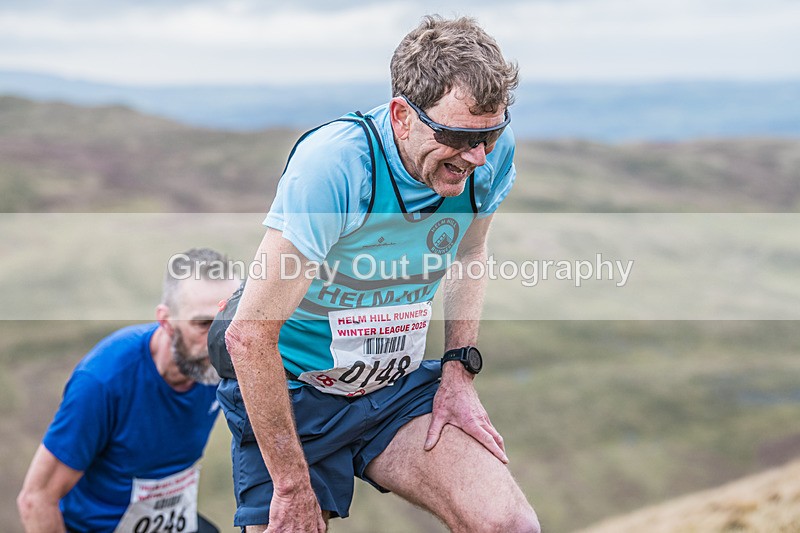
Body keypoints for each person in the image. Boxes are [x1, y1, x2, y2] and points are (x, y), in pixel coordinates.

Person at [210, 15, 540, 533]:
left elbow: (470, 253)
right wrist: (293, 486)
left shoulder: (486, 158)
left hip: (395, 387)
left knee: (510, 525)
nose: (477, 156)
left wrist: (458, 371)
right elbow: (249, 334)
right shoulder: (337, 165)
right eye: (456, 134)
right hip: (295, 393)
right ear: (401, 116)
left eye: (491, 133)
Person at [17, 248, 240, 533]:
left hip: (171, 518)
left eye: (228, 322)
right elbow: (35, 500)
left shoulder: (229, 356)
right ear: (166, 321)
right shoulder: (103, 381)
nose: (217, 340)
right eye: (202, 324)